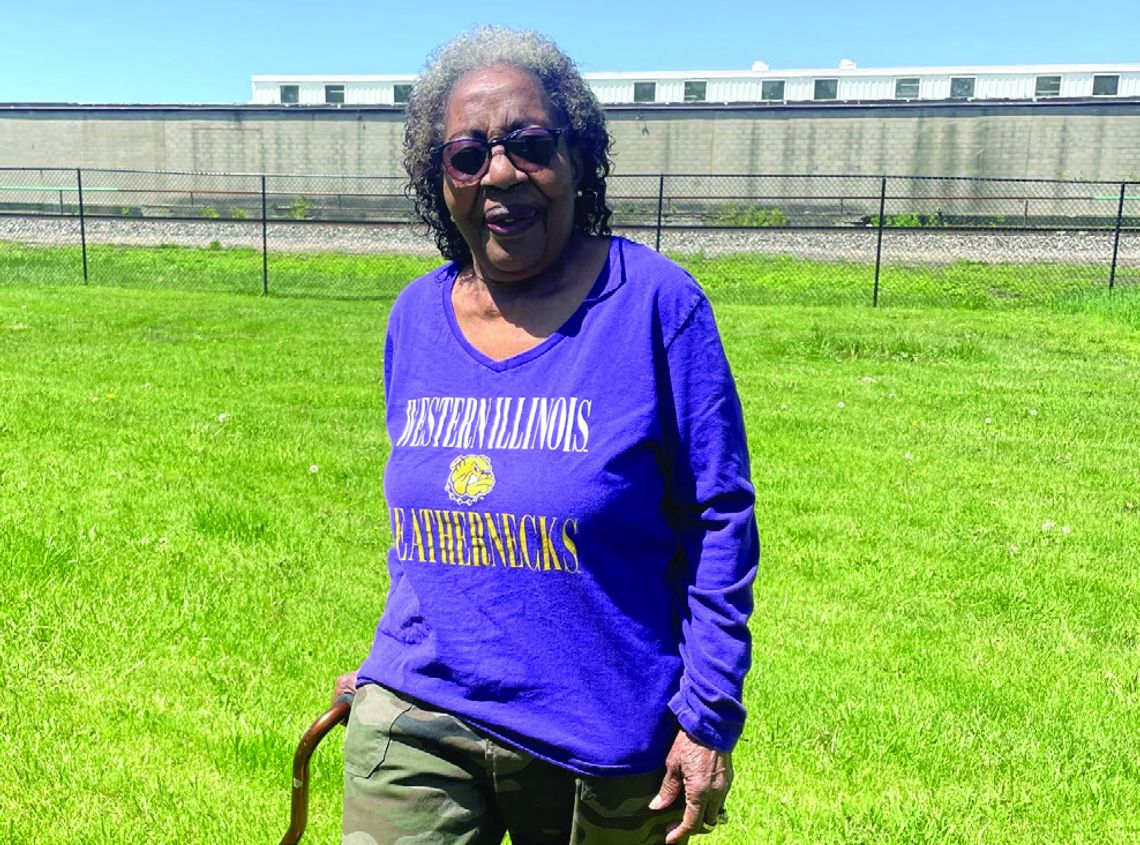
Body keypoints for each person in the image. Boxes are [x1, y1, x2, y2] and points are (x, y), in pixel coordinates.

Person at [336, 27, 759, 845]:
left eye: (529, 145)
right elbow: (428, 520)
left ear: (577, 157)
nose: (500, 173)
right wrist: (391, 661)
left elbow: (719, 520)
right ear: (440, 181)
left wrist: (708, 715)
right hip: (420, 712)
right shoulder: (414, 317)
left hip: (601, 735)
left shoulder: (657, 306)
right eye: (468, 156)